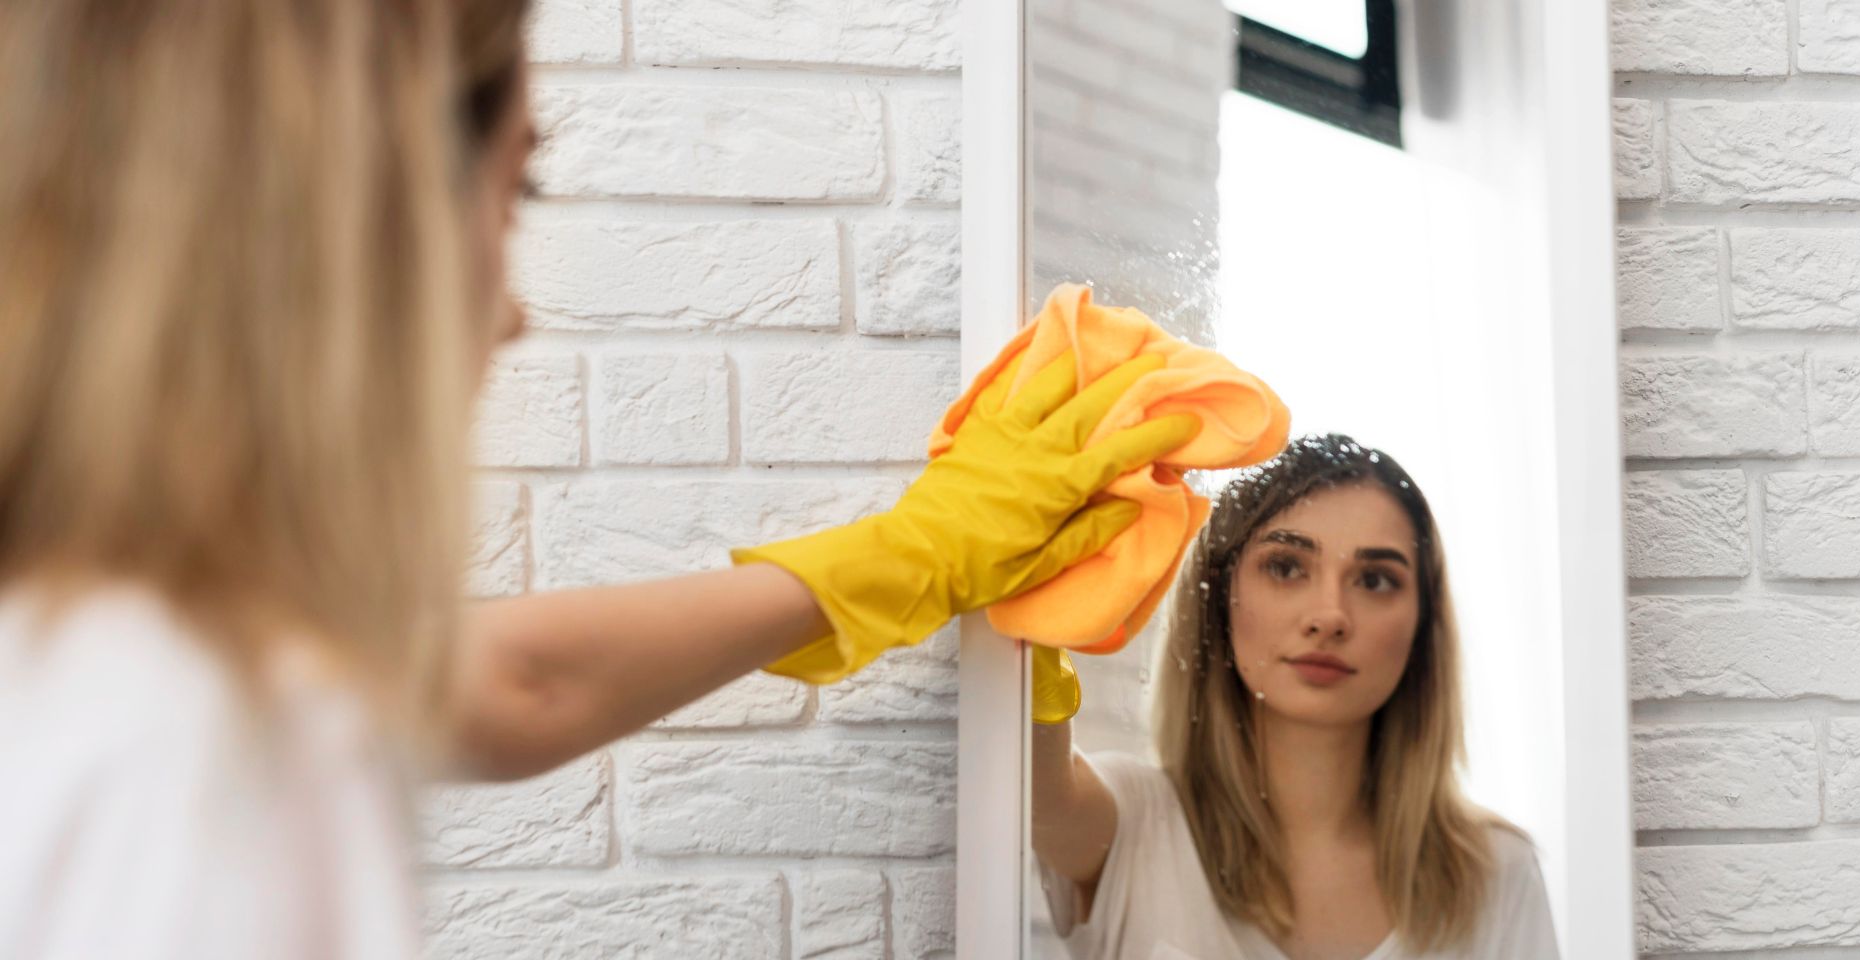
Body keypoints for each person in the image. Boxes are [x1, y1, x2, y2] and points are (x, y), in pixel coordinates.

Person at [0, 1, 1197, 955]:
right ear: (349, 212)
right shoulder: (177, 748)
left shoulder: (108, 648)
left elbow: (516, 683)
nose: (516, 307)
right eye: (513, 192)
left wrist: (914, 551)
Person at [1031, 435, 1558, 960]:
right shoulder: (1135, 822)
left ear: (1422, 624)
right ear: (1220, 596)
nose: (1329, 615)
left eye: (1374, 579)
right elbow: (1036, 780)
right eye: (1286, 567)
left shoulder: (1497, 873)